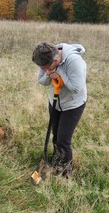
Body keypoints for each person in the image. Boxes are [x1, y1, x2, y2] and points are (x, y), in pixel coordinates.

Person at [32, 42, 87, 177]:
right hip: (55, 102)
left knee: (63, 140)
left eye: (45, 68)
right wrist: (48, 74)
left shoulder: (74, 61)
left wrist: (59, 72)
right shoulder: (46, 57)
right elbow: (42, 81)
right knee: (56, 134)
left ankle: (64, 174)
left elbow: (76, 87)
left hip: (73, 106)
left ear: (56, 60)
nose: (43, 69)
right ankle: (56, 161)